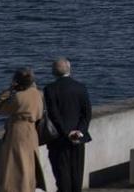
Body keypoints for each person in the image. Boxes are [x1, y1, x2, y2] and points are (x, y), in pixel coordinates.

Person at [44, 57, 93, 192]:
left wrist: (67, 133)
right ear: (69, 69)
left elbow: (54, 115)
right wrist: (79, 131)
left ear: (53, 72)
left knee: (62, 175)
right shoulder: (80, 87)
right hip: (79, 138)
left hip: (59, 139)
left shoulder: (50, 89)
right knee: (76, 175)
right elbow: (87, 113)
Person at [0, 67, 45, 192]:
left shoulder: (19, 97)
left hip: (18, 132)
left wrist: (8, 90)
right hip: (32, 132)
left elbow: (0, 108)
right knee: (29, 165)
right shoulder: (39, 94)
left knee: (15, 165)